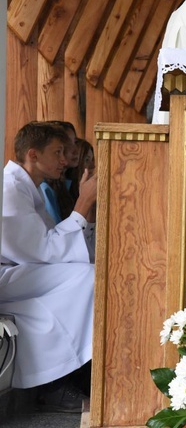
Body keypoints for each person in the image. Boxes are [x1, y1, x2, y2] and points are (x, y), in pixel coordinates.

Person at [0, 121, 98, 412]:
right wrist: (82, 205)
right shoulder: (10, 190)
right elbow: (43, 250)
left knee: (88, 277)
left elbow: (47, 247)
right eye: (57, 152)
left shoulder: (29, 188)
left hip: (21, 269)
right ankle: (55, 380)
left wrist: (86, 209)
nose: (65, 160)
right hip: (7, 276)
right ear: (33, 154)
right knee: (86, 278)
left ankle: (70, 371)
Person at [40, 121, 80, 223]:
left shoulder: (67, 184)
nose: (76, 150)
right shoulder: (44, 188)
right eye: (67, 143)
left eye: (75, 142)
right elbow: (56, 234)